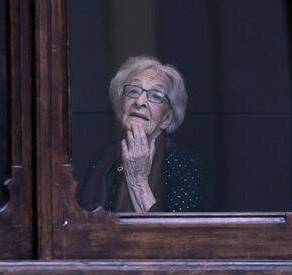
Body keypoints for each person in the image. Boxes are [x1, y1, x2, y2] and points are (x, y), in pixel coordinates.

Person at [76, 56, 204, 213]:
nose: (140, 101)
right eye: (133, 91)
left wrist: (138, 181)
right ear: (121, 104)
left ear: (167, 119)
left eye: (156, 96)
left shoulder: (184, 167)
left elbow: (174, 234)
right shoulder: (103, 159)